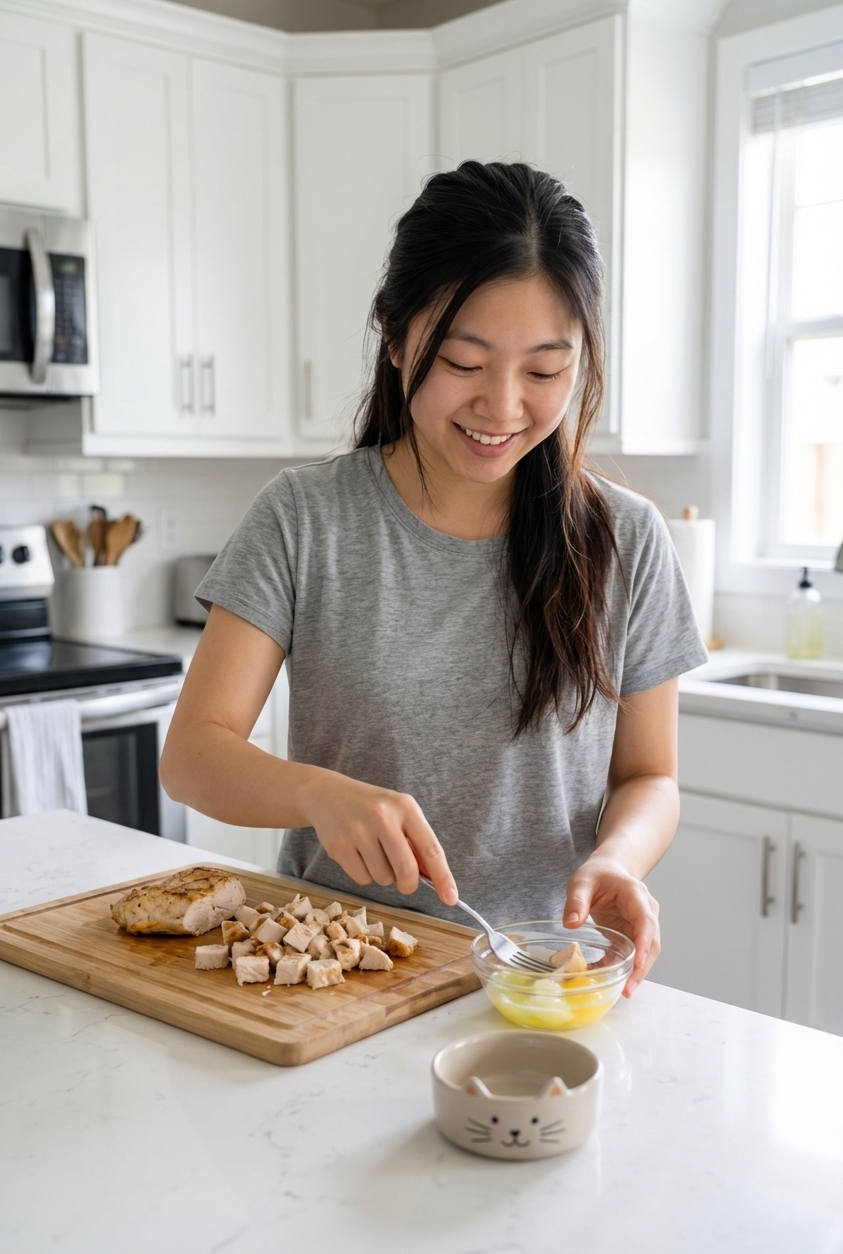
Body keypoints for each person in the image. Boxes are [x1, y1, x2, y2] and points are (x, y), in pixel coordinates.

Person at [160, 161, 707, 997]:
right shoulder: (307, 517)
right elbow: (194, 755)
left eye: (543, 369)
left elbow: (648, 777)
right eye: (463, 360)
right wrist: (318, 794)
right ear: (394, 334)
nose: (501, 406)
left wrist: (618, 861)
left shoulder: (625, 538)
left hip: (540, 977)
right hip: (331, 973)